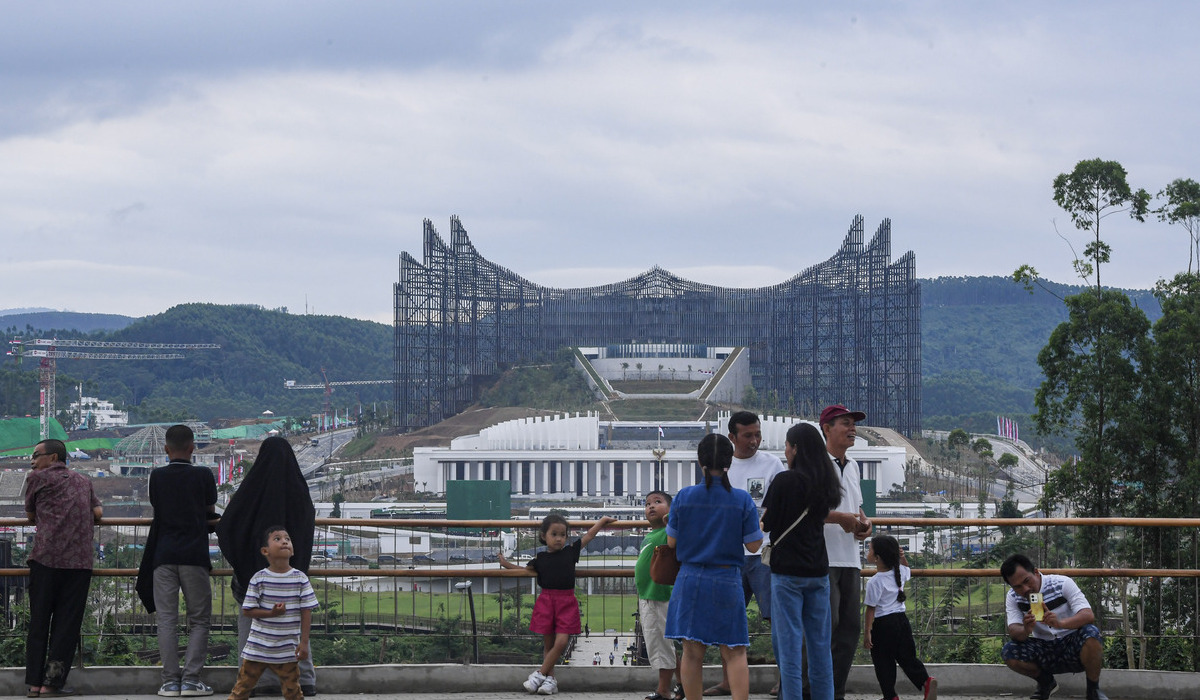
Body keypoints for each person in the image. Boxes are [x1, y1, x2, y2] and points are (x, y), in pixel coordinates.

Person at [665, 434, 764, 700]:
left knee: (692, 652)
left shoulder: (684, 497)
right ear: (729, 461)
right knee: (734, 651)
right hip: (727, 578)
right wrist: (759, 527)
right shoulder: (742, 500)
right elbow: (754, 545)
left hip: (690, 577)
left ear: (700, 461)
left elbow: (671, 541)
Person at [217, 437, 317, 697]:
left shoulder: (252, 490)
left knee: (250, 631)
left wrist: (244, 562)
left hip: (253, 576)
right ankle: (304, 681)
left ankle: (250, 683)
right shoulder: (299, 492)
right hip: (290, 576)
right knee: (293, 629)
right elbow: (305, 530)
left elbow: (228, 526)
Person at [761, 423, 847, 700]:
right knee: (820, 646)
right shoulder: (825, 481)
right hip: (818, 570)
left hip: (787, 573)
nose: (785, 451)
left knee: (789, 648)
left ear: (796, 448)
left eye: (787, 445)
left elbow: (768, 523)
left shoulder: (785, 481)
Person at [704, 411, 786, 697]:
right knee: (725, 619)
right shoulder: (719, 468)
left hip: (762, 554)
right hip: (728, 558)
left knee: (777, 618)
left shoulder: (772, 464)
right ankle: (728, 681)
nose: (754, 441)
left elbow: (778, 507)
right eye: (747, 435)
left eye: (757, 434)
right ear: (732, 437)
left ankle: (784, 680)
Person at [136, 425, 219, 697]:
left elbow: (159, 508)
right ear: (193, 448)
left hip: (163, 555)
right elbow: (209, 511)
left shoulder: (157, 477)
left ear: (166, 449)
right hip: (194, 555)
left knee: (167, 621)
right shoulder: (204, 475)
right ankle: (192, 680)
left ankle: (170, 682)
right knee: (199, 620)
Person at [500, 512, 616, 695]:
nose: (559, 539)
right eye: (554, 534)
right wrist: (505, 564)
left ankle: (539, 674)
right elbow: (524, 570)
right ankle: (550, 681)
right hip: (546, 602)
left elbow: (589, 536)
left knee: (561, 642)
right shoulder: (540, 559)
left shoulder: (570, 552)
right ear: (543, 536)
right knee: (548, 645)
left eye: (563, 535)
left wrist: (601, 521)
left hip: (566, 602)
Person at [24, 438, 103, 698]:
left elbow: (30, 514)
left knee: (39, 622)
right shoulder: (84, 481)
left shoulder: (37, 479)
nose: (33, 461)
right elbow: (99, 512)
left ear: (54, 458)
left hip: (46, 560)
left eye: (36, 455)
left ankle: (34, 684)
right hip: (78, 563)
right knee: (66, 626)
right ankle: (51, 684)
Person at [809, 404, 872, 700]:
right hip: (822, 558)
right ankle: (808, 691)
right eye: (845, 423)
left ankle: (835, 693)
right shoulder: (813, 465)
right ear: (826, 428)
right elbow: (806, 509)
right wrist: (840, 519)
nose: (852, 429)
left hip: (850, 558)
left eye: (853, 424)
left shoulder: (854, 465)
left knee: (848, 630)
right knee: (823, 629)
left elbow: (856, 506)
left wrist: (863, 521)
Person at [227, 526, 319, 700]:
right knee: (241, 690)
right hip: (257, 649)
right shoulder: (258, 578)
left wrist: (304, 643)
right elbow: (247, 610)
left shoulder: (300, 578)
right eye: (277, 539)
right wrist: (271, 613)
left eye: (287, 539)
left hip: (287, 651)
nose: (284, 541)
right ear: (265, 551)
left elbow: (306, 611)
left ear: (292, 549)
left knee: (293, 693)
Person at [1000, 554, 1107, 700]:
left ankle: (1093, 690)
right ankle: (1046, 683)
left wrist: (1060, 623)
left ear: (1036, 572)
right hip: (1044, 648)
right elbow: (1014, 631)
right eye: (1018, 586)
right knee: (1009, 651)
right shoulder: (1013, 597)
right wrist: (1026, 629)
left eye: (1027, 581)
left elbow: (1088, 616)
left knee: (1091, 633)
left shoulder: (1062, 583)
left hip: (1072, 644)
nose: (1025, 589)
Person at [863, 535, 937, 700]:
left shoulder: (874, 582)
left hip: (883, 625)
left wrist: (867, 632)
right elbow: (906, 568)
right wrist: (902, 558)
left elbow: (870, 609)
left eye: (869, 549)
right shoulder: (900, 572)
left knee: (883, 662)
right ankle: (925, 681)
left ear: (877, 558)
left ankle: (890, 696)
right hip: (902, 621)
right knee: (907, 657)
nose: (867, 552)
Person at [635, 490, 682, 700]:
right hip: (649, 595)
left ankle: (663, 691)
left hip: (658, 596)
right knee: (666, 644)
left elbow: (681, 524)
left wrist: (670, 517)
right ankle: (682, 685)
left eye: (657, 502)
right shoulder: (650, 536)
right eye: (647, 504)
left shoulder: (668, 531)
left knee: (660, 644)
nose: (651, 506)